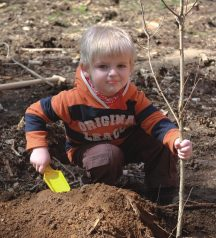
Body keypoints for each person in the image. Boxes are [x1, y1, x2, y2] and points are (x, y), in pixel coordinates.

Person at [25, 25, 192, 203]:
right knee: (107, 155)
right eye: (103, 67)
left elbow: (155, 120)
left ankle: (162, 196)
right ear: (87, 68)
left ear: (131, 67)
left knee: (162, 139)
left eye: (121, 66)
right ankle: (102, 197)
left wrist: (176, 140)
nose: (113, 73)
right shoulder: (73, 100)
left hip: (125, 143)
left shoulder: (132, 96)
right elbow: (35, 112)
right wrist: (38, 148)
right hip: (89, 150)